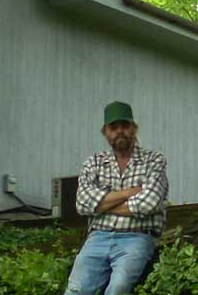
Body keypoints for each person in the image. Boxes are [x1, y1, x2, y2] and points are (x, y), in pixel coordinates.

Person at [64, 101, 169, 295]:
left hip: (137, 237)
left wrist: (101, 205)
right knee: (76, 291)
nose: (120, 131)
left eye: (125, 125)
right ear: (105, 132)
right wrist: (130, 193)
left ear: (134, 128)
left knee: (118, 289)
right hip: (97, 238)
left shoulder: (154, 160)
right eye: (114, 127)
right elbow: (82, 204)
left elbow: (149, 203)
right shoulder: (93, 162)